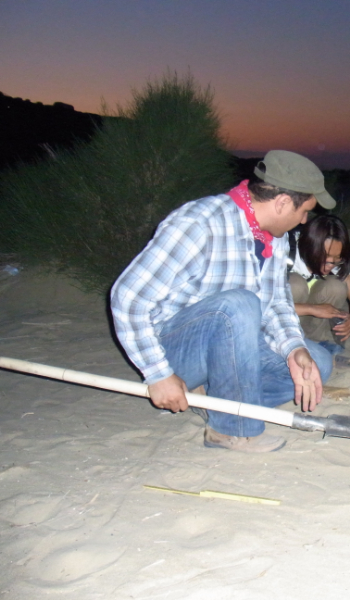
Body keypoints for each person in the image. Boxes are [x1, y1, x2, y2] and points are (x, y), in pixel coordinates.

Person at [110, 150, 336, 453]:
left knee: (317, 364)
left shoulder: (276, 237)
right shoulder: (200, 223)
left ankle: (216, 398)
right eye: (304, 211)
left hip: (229, 347)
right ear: (282, 203)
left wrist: (294, 348)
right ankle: (231, 429)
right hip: (174, 349)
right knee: (239, 305)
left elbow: (276, 305)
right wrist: (159, 374)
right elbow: (128, 297)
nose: (303, 221)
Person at [287, 215, 350, 352]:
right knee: (296, 284)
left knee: (336, 286)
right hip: (282, 325)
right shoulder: (287, 251)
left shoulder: (336, 260)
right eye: (325, 257)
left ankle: (315, 342)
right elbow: (266, 304)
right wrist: (312, 309)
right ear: (309, 246)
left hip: (309, 327)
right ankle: (290, 342)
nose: (331, 264)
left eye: (337, 258)